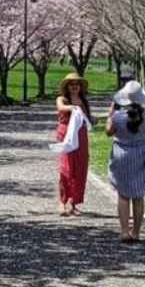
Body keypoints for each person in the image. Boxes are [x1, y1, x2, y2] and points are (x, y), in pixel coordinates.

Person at [105, 80, 145, 243]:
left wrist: (110, 115)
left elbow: (108, 132)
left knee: (123, 195)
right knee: (138, 196)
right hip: (141, 155)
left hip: (122, 155)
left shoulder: (118, 117)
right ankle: (136, 232)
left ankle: (125, 231)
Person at [48, 72, 92, 216]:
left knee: (80, 168)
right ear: (67, 87)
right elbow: (61, 107)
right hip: (65, 134)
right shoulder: (62, 99)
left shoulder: (83, 101)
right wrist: (72, 107)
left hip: (81, 136)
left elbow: (87, 118)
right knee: (66, 168)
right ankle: (62, 201)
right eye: (71, 84)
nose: (74, 87)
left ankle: (73, 202)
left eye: (77, 84)